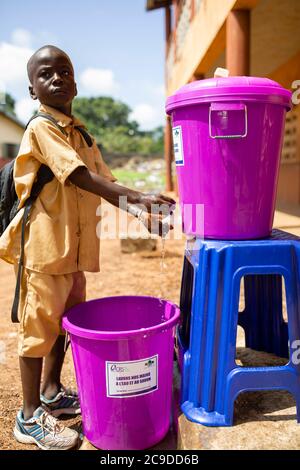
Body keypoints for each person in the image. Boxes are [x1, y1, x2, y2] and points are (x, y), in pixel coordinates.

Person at [0, 45, 175, 450]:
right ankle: (28, 417)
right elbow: (80, 178)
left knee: (63, 323)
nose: (57, 79)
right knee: (37, 330)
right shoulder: (41, 128)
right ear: (32, 90)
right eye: (46, 74)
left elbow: (105, 179)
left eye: (64, 71)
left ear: (75, 83)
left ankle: (50, 392)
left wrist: (142, 211)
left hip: (74, 254)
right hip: (44, 253)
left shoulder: (81, 134)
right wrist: (140, 198)